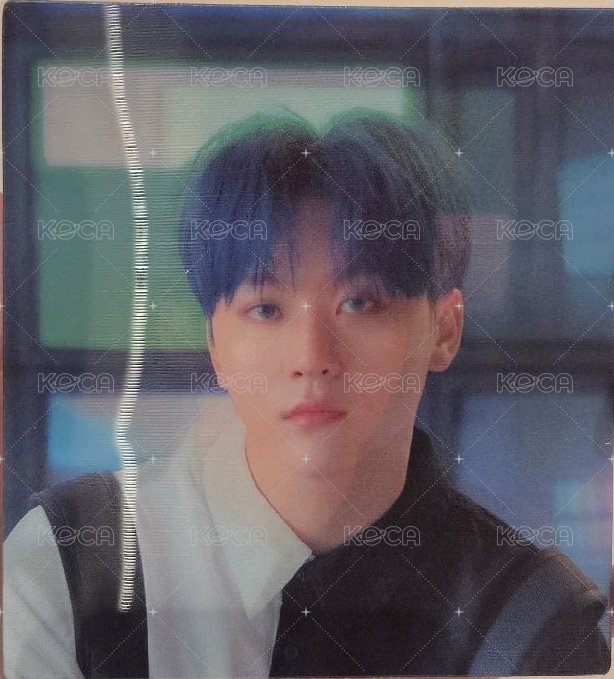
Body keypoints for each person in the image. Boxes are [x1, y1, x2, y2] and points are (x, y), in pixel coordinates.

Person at [3, 109, 610, 678]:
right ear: (215, 345)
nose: (312, 358)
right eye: (266, 308)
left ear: (443, 330)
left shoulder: (531, 619)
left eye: (360, 302)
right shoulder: (69, 562)